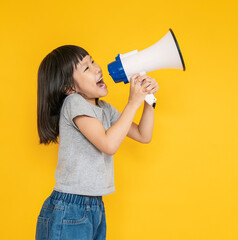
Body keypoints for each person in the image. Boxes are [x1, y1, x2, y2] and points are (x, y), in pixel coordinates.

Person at [35, 45, 159, 240]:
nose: (97, 68)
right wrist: (132, 103)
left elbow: (143, 135)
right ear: (69, 88)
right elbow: (108, 145)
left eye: (92, 61)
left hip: (94, 205)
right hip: (71, 207)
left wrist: (147, 101)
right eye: (86, 68)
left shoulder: (103, 108)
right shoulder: (74, 103)